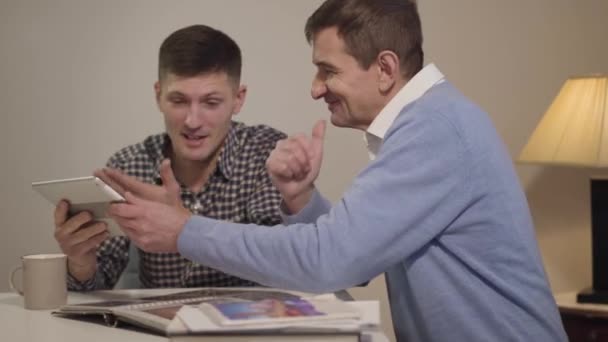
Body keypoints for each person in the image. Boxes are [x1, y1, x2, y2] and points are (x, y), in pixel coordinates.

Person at [104, 1, 567, 340]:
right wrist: (302, 200)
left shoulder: (434, 129)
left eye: (327, 71)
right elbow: (352, 264)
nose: (315, 89)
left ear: (385, 68)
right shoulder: (430, 122)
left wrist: (183, 230)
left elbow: (327, 263)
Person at [53, 24, 286, 290]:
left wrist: (186, 228)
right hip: (158, 329)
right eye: (179, 101)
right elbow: (98, 284)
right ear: (158, 96)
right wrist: (80, 261)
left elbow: (281, 259)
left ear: (238, 99)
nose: (192, 121)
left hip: (247, 325)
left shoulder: (266, 153)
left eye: (211, 103)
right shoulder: (129, 165)